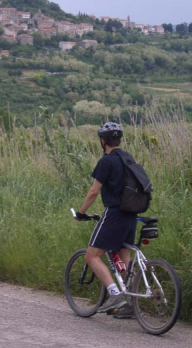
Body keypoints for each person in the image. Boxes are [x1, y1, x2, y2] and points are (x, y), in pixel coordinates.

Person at [75, 122, 136, 318]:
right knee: (124, 258)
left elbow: (94, 191)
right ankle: (130, 304)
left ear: (103, 141)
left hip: (115, 213)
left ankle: (115, 294)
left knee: (92, 256)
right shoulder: (128, 158)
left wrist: (81, 212)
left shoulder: (106, 161)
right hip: (131, 214)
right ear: (120, 140)